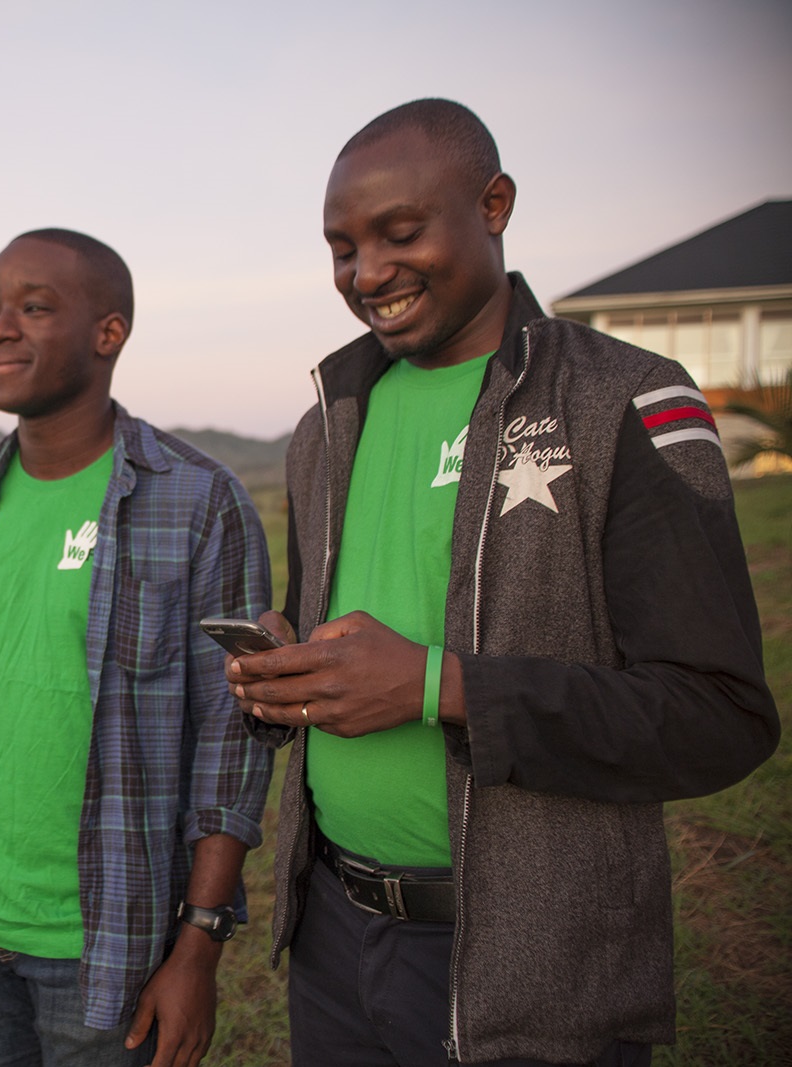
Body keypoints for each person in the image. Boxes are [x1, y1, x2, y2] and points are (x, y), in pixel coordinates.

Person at [226, 99, 780, 1066]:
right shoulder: (327, 424)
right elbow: (339, 642)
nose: (368, 273)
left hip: (531, 964)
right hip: (333, 941)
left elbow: (718, 715)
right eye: (342, 249)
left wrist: (438, 686)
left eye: (401, 233)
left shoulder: (620, 399)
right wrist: (288, 677)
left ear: (494, 205)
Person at [0, 228, 275, 1067]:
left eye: (33, 308)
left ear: (108, 333)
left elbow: (233, 740)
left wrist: (199, 944)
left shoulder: (199, 501)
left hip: (115, 943)